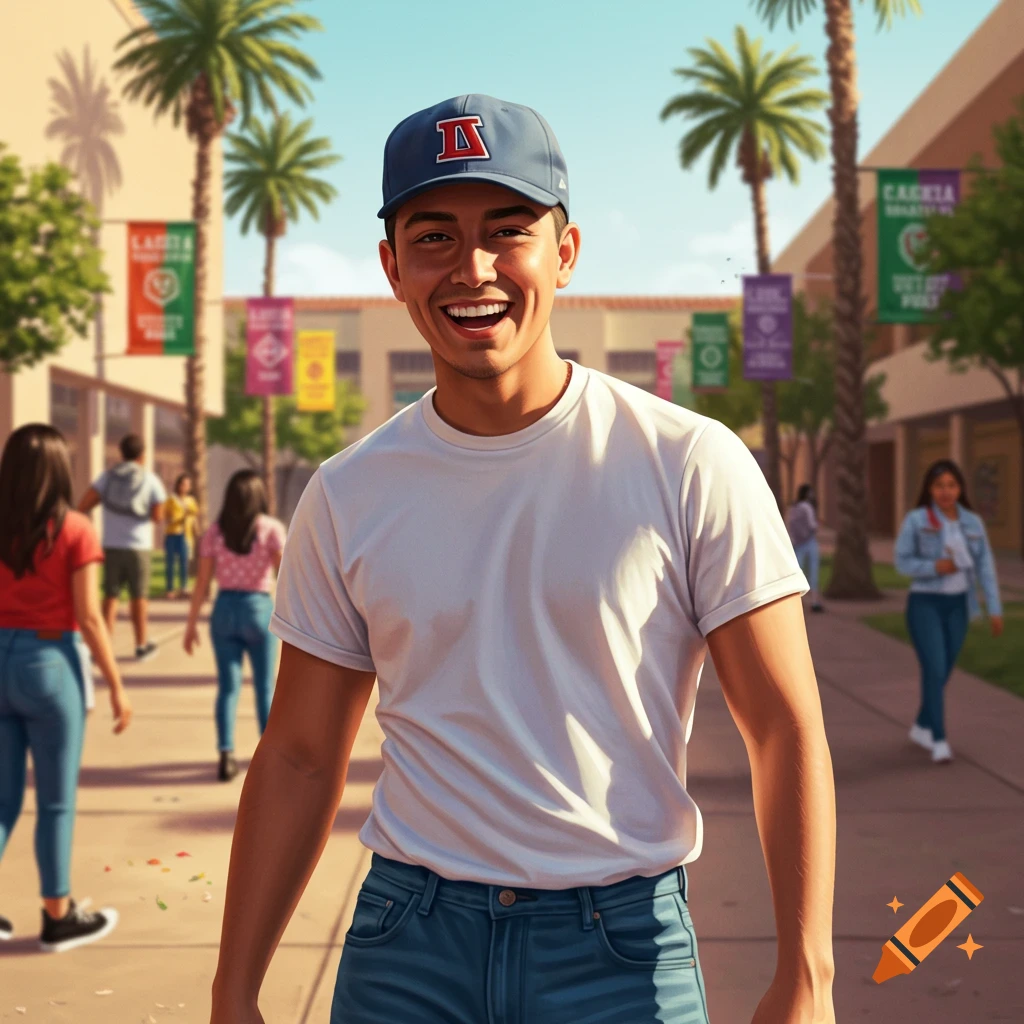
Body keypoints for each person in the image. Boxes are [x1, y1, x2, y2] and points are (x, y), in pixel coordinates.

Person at [209, 95, 837, 1024]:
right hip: (406, 945)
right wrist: (233, 992)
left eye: (508, 232)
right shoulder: (346, 495)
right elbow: (301, 756)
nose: (473, 270)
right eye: (434, 237)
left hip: (622, 949)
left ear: (565, 252)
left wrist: (807, 977)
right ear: (392, 268)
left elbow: (783, 727)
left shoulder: (688, 461)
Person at [0, 424, 133, 951]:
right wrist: (118, 686)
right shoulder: (75, 529)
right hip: (50, 663)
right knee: (55, 801)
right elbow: (90, 618)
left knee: (2, 800)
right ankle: (57, 913)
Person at [893, 458, 1003, 764]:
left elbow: (986, 568)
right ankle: (938, 739)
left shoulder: (972, 524)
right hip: (925, 604)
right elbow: (902, 561)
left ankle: (921, 725)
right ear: (930, 488)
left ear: (960, 489)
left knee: (943, 669)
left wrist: (993, 608)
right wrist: (934, 567)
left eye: (951, 485)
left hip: (958, 606)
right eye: (939, 485)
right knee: (935, 668)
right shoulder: (917, 520)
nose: (946, 491)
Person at [183, 471, 285, 783]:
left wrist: (191, 624)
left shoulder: (214, 533)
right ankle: (270, 761)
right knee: (265, 688)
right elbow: (288, 577)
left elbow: (202, 583)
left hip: (224, 610)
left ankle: (226, 754)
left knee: (228, 688)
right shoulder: (270, 529)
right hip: (258, 608)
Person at [78, 434, 166, 660]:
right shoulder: (150, 479)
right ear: (142, 455)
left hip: (111, 545)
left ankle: (103, 647)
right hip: (139, 547)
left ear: (121, 453)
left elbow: (84, 505)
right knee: (139, 596)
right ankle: (140, 645)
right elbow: (158, 516)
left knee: (111, 595)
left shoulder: (107, 477)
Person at [787, 484, 825, 613]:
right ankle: (814, 601)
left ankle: (797, 602)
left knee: (798, 572)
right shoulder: (807, 507)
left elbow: (790, 525)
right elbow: (812, 525)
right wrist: (818, 524)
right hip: (809, 542)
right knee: (813, 572)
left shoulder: (794, 507)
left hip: (798, 544)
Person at [163, 473, 199, 600]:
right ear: (178, 485)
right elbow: (166, 517)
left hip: (186, 535)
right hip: (172, 534)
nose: (186, 487)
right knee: (170, 562)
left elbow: (194, 518)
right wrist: (178, 518)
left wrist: (197, 533)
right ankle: (170, 589)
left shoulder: (191, 501)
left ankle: (183, 587)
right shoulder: (171, 500)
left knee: (184, 562)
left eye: (188, 485)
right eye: (184, 484)